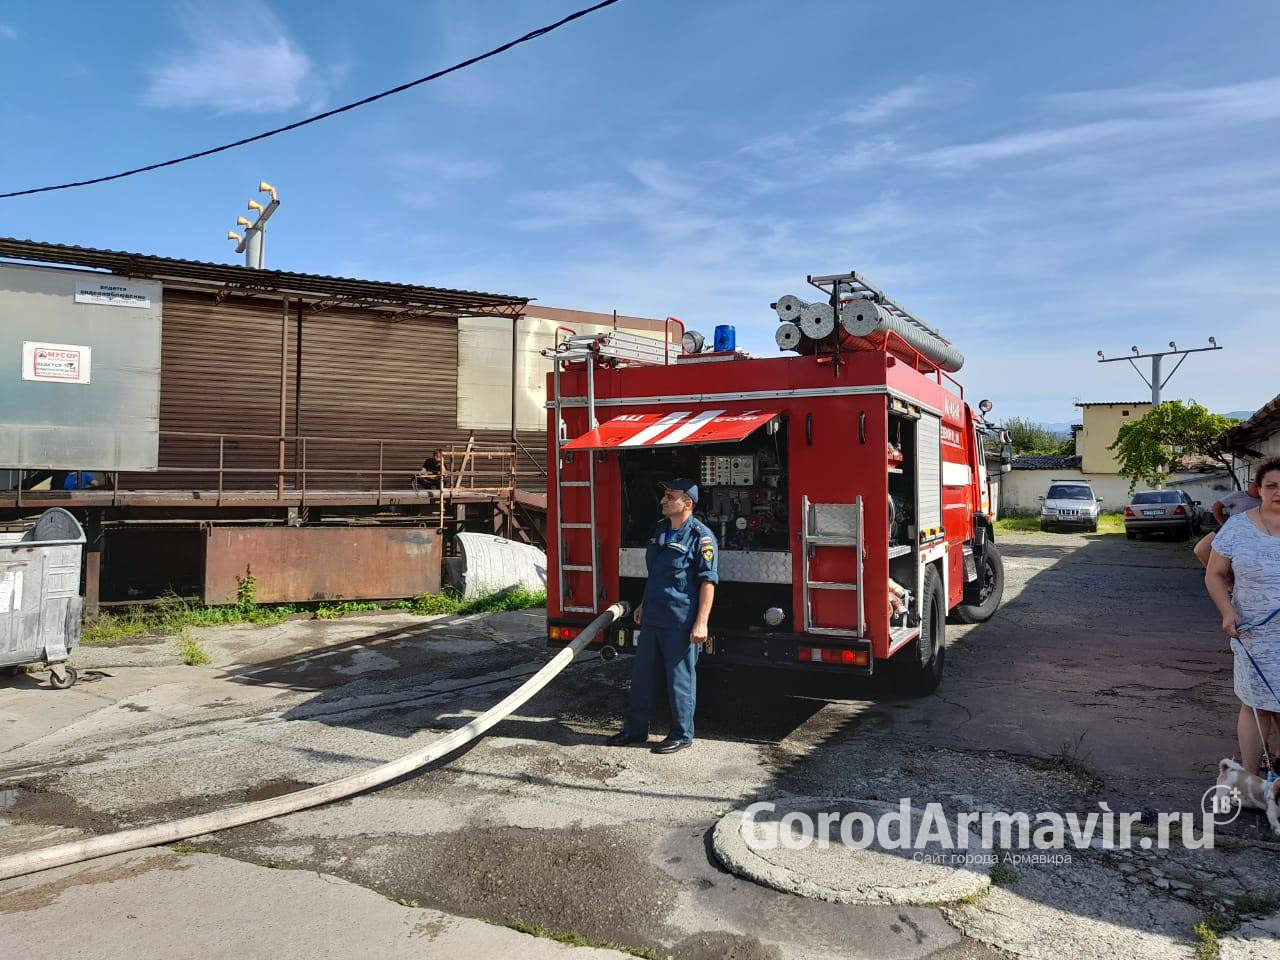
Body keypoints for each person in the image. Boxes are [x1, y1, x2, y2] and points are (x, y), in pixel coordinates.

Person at [608, 478, 717, 754]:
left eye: (671, 496)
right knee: (642, 676)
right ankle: (635, 730)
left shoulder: (701, 537)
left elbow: (708, 583)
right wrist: (644, 604)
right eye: (665, 495)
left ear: (687, 504)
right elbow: (656, 573)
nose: (663, 500)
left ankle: (681, 734)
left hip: (679, 620)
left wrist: (701, 622)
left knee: (680, 678)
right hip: (653, 616)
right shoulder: (660, 530)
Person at [1206, 457, 1280, 777]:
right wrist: (1227, 612)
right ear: (1258, 490)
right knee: (1256, 705)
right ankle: (1250, 781)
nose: (1278, 492)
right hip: (1254, 633)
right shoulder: (1238, 526)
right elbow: (1215, 574)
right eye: (1271, 486)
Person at [1195, 477, 1262, 567]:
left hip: (1255, 533)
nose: (1258, 489)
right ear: (1249, 485)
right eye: (1256, 486)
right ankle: (1217, 574)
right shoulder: (1239, 495)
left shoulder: (1266, 500)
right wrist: (1222, 524)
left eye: (1261, 486)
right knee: (1201, 549)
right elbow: (1216, 506)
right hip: (1232, 528)